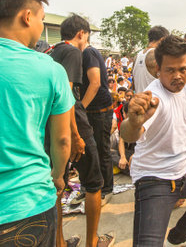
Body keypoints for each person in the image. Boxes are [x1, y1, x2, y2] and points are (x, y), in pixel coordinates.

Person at [0, 0, 73, 246]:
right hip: (27, 204)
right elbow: (62, 140)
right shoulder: (49, 69)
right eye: (42, 19)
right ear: (27, 17)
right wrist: (57, 176)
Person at [120, 35, 186, 246]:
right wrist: (134, 122)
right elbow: (129, 135)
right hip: (154, 178)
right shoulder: (154, 98)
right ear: (158, 70)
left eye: (183, 69)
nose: (177, 76)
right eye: (170, 70)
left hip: (185, 170)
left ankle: (176, 238)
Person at [49, 14, 114, 247]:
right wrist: (76, 135)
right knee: (93, 184)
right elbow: (65, 96)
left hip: (51, 127)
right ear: (81, 34)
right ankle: (93, 241)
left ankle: (60, 242)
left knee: (58, 183)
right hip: (73, 125)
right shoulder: (74, 52)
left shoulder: (50, 51)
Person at [82, 43, 116, 206]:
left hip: (100, 110)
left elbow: (94, 83)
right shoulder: (84, 54)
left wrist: (80, 108)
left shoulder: (89, 53)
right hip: (92, 110)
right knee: (90, 149)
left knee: (102, 149)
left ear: (81, 34)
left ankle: (107, 189)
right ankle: (91, 188)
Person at [132, 26, 169, 93]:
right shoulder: (157, 54)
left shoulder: (136, 56)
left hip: (139, 100)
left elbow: (134, 85)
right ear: (162, 39)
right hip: (154, 101)